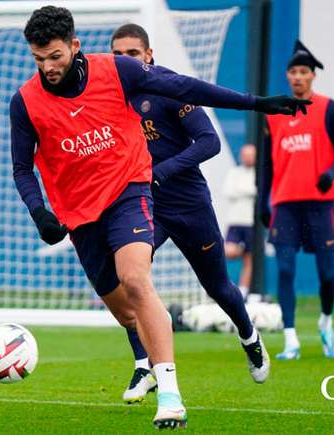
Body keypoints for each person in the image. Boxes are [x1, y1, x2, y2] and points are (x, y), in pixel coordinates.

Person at [11, 7, 306, 429]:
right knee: (127, 309)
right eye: (39, 59)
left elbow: (188, 87)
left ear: (74, 46)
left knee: (144, 279)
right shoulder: (25, 102)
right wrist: (39, 212)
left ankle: (172, 392)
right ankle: (146, 356)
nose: (48, 67)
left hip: (138, 191)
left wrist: (257, 104)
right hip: (82, 212)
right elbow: (22, 168)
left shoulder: (119, 72)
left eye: (54, 56)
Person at [109, 24, 268, 405]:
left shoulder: (170, 87)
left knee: (218, 287)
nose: (123, 61)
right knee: (130, 281)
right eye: (117, 54)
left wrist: (161, 172)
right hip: (144, 206)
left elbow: (209, 141)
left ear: (148, 55)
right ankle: (143, 362)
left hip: (189, 204)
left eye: (132, 53)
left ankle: (249, 336)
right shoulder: (111, 97)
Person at [258, 41, 334, 360]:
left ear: (313, 76)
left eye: (304, 72)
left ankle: (325, 322)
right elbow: (266, 164)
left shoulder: (330, 108)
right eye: (293, 72)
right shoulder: (274, 113)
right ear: (287, 76)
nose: (298, 77)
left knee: (327, 275)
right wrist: (262, 201)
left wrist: (330, 173)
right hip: (285, 204)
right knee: (284, 269)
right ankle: (290, 339)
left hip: (320, 204)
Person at [223, 144, 257, 298]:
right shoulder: (234, 173)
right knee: (228, 251)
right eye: (246, 154)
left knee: (250, 259)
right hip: (236, 221)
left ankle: (243, 292)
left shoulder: (259, 173)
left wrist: (245, 191)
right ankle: (220, 285)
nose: (249, 157)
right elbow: (229, 191)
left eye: (252, 155)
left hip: (252, 223)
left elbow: (259, 192)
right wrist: (249, 191)